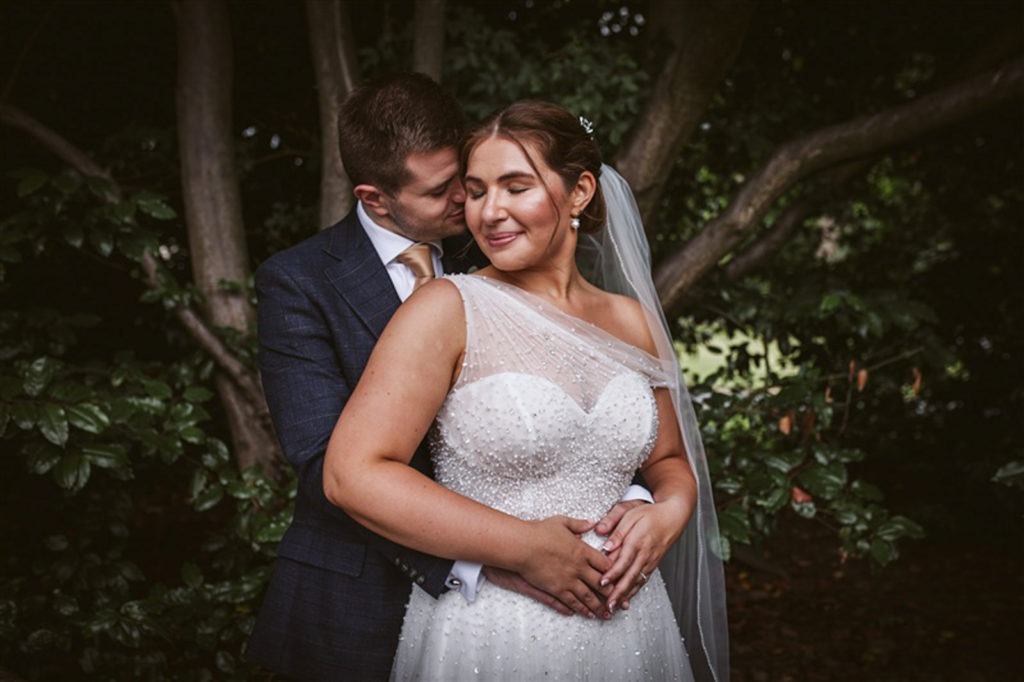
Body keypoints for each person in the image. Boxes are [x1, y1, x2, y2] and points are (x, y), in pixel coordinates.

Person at [245, 74, 656, 681]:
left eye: (468, 182)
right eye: (447, 192)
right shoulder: (300, 281)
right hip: (365, 598)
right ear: (376, 198)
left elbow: (586, 396)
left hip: (574, 593)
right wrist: (495, 559)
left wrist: (641, 503)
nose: (473, 206)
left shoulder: (502, 249)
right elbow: (324, 464)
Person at [323, 100, 729, 681]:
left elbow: (669, 459)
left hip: (632, 627)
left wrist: (669, 510)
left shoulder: (633, 321)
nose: (490, 212)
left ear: (580, 192)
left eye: (516, 187)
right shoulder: (447, 308)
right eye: (477, 190)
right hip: (493, 627)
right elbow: (352, 475)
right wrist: (524, 548)